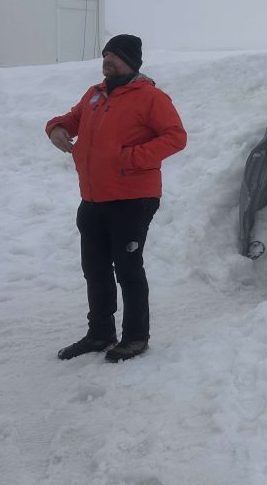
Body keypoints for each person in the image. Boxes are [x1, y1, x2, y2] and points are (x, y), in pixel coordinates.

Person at [46, 34, 186, 362]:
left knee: (127, 268)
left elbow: (176, 137)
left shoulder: (151, 97)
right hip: (94, 198)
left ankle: (136, 337)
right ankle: (100, 333)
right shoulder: (95, 95)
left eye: (116, 55)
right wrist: (54, 128)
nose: (108, 60)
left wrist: (130, 158)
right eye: (106, 53)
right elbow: (70, 120)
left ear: (131, 61)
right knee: (94, 269)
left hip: (133, 199)